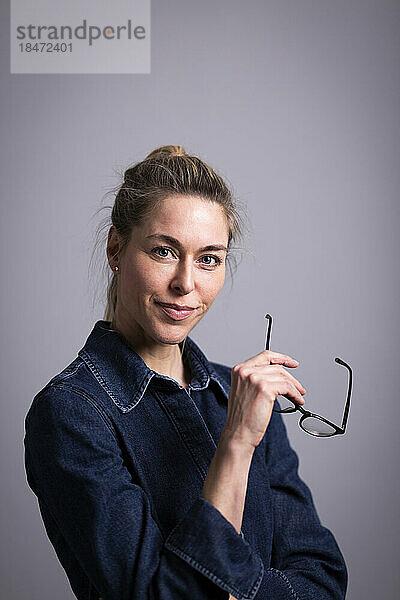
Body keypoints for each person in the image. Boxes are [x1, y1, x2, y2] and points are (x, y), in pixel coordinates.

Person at [24, 145, 348, 600]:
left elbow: (323, 580)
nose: (186, 284)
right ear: (117, 249)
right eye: (163, 251)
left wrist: (233, 593)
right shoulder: (71, 415)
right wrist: (235, 444)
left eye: (209, 258)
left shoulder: (240, 396)